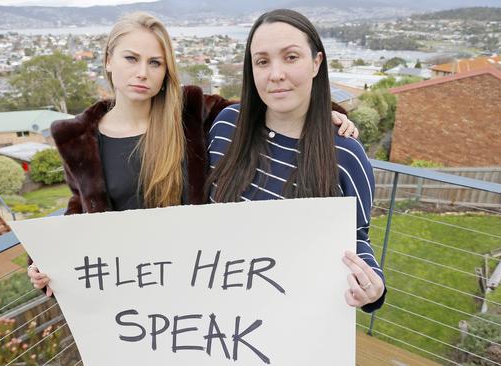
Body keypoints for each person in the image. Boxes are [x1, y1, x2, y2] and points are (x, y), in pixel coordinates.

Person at [27, 11, 358, 296]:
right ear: (109, 61)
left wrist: (322, 110)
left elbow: (267, 105)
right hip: (133, 291)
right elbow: (78, 212)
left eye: (155, 63)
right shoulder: (78, 140)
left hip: (205, 283)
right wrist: (46, 262)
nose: (142, 72)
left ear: (166, 70)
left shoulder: (191, 111)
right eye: (131, 58)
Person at [206, 9, 385, 311]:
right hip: (214, 316)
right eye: (262, 61)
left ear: (316, 62)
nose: (276, 74)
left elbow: (356, 239)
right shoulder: (225, 126)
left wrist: (373, 287)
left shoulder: (346, 156)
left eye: (291, 57)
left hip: (291, 324)